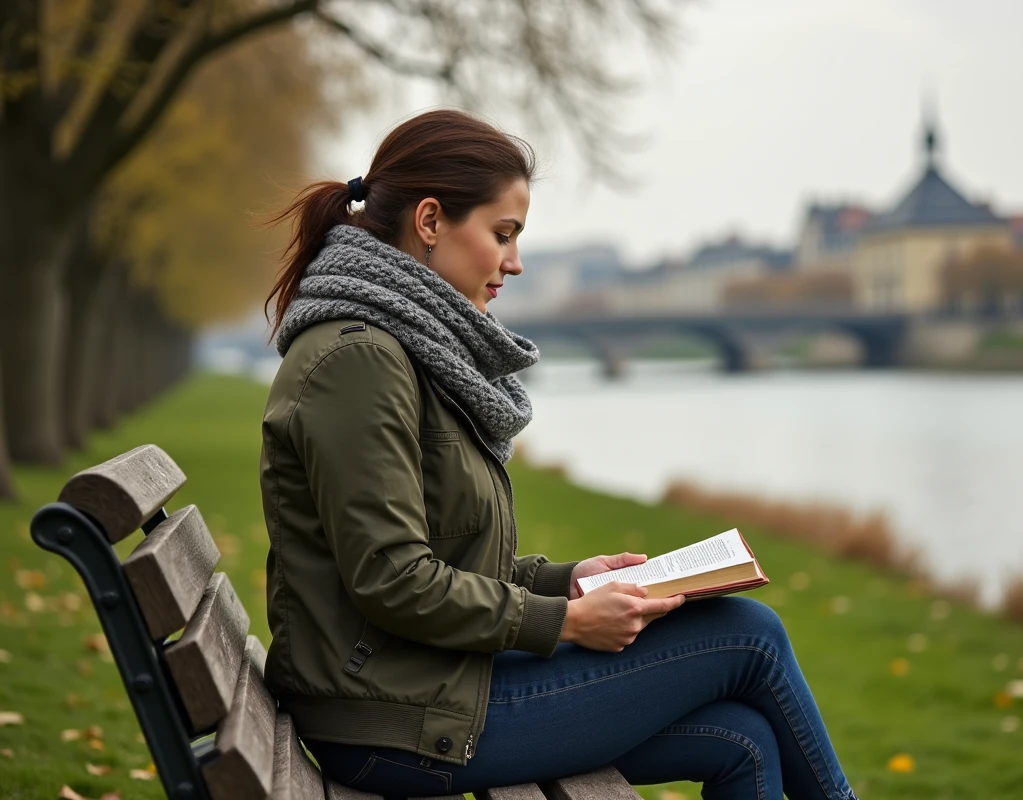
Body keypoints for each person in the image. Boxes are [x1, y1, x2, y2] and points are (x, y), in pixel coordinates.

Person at [259, 108, 858, 800]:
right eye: (502, 234)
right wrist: (568, 623)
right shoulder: (360, 360)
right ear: (430, 222)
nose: (514, 263)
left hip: (420, 687)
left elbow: (435, 559)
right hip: (393, 721)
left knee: (741, 740)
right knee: (748, 633)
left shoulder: (395, 348)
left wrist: (569, 581)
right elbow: (394, 579)